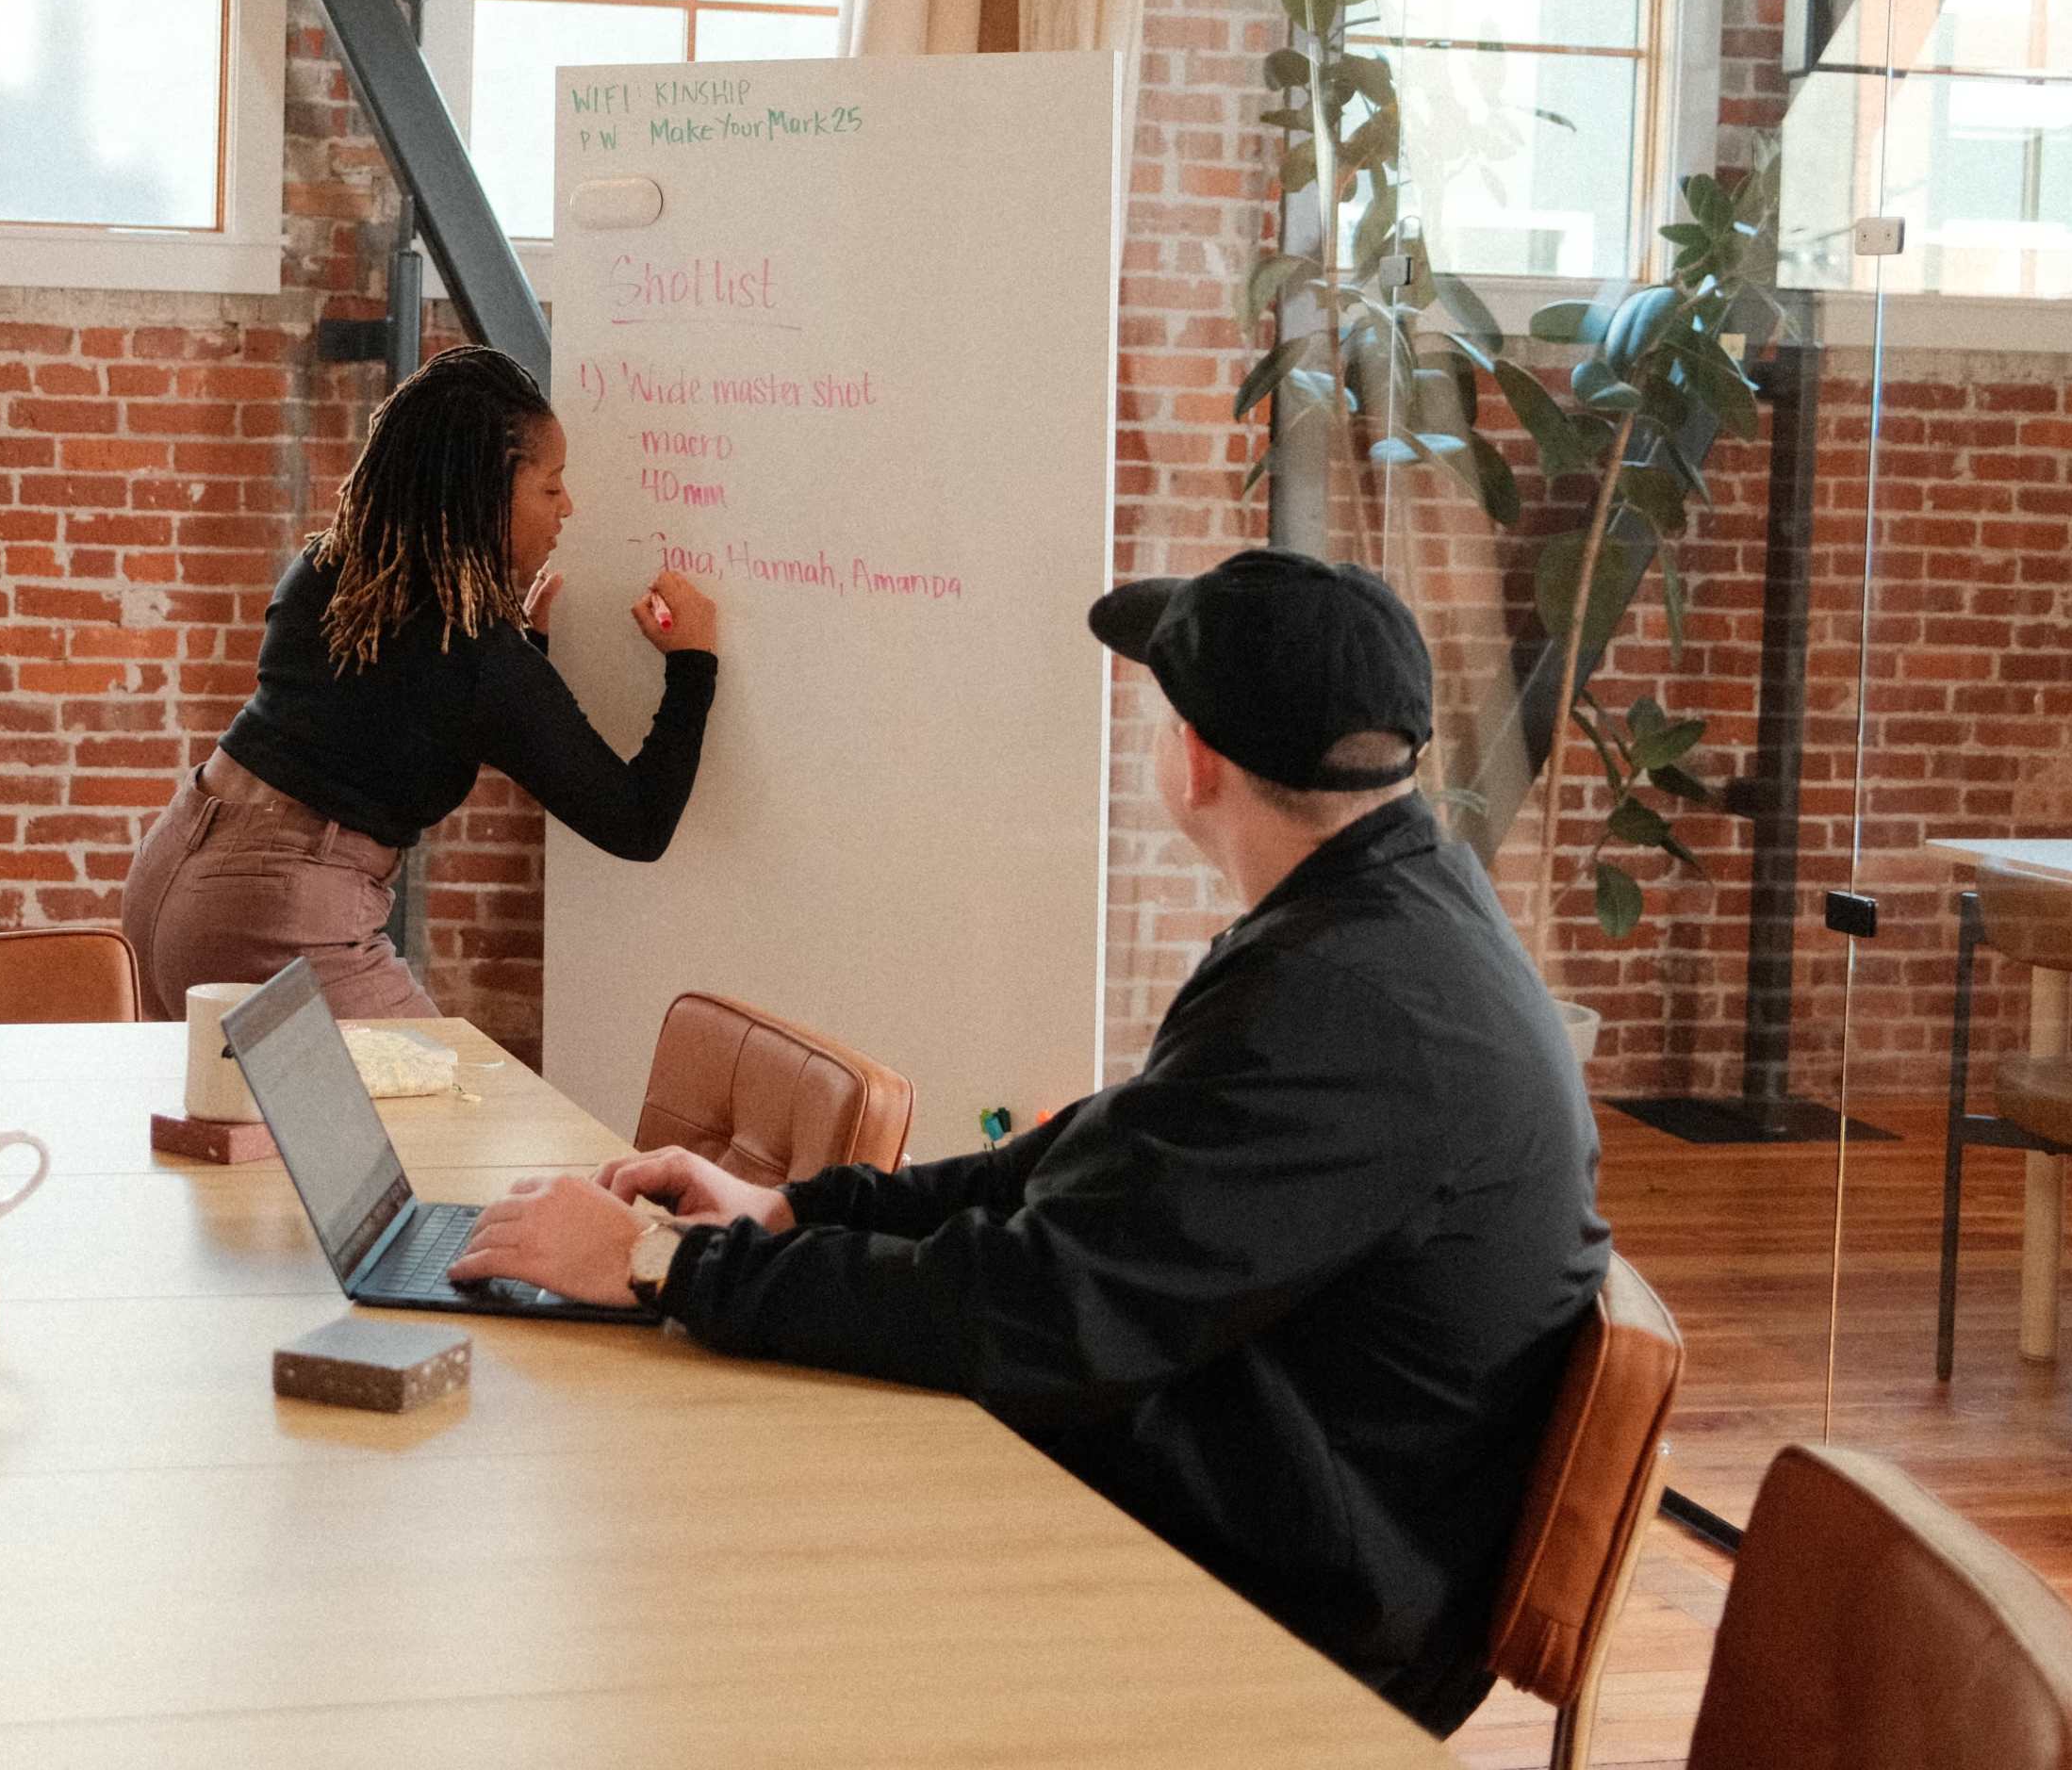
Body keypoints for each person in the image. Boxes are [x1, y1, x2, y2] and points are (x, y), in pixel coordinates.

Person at [452, 548, 1609, 1736]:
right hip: (1298, 1501)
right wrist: (789, 1214)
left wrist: (662, 1267)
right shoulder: (1397, 917)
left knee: (756, 1551)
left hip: (1292, 1618)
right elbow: (1090, 1162)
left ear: (1196, 760)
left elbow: (1037, 1309)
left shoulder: (1339, 1002)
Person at [125, 344, 722, 1022]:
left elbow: (392, 709)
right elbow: (636, 822)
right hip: (278, 915)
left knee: (261, 1127)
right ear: (487, 493)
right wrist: (693, 663)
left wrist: (524, 644)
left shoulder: (331, 568)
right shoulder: (476, 658)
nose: (569, 507)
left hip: (171, 869)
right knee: (440, 1120)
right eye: (551, 487)